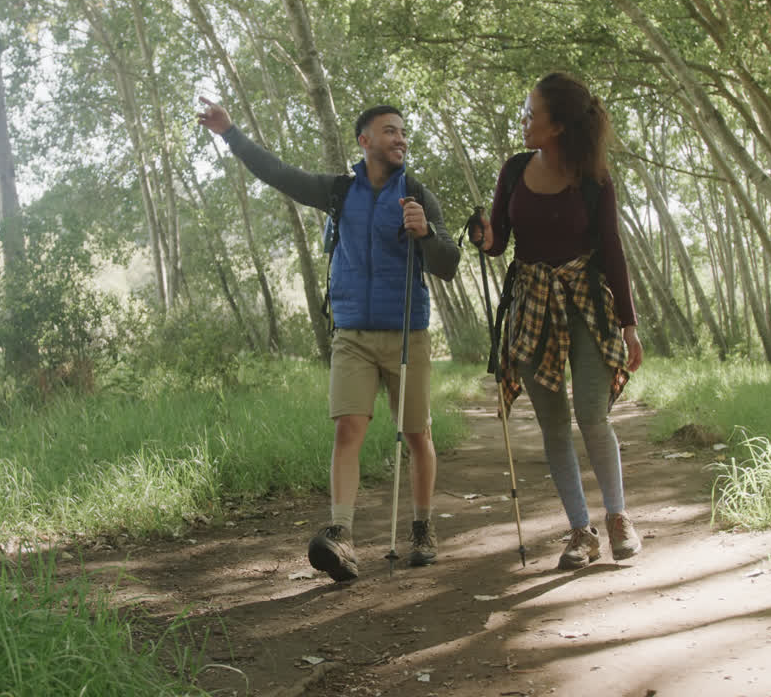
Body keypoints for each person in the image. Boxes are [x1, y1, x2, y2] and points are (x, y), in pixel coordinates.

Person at [197, 97, 460, 582]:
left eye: (403, 132)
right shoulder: (339, 191)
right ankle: (341, 535)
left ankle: (423, 528)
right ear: (364, 141)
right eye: (390, 131)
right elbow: (278, 173)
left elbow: (448, 264)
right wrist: (229, 132)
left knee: (417, 435)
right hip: (352, 334)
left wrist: (426, 233)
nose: (400, 139)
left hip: (407, 333)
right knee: (347, 431)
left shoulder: (417, 195)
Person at [471, 72, 644, 569]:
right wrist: (484, 236)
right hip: (531, 306)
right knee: (553, 425)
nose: (523, 121)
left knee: (591, 414)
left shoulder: (594, 180)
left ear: (559, 126)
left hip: (587, 303)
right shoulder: (514, 170)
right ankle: (580, 531)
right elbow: (498, 242)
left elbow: (612, 249)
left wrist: (629, 325)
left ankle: (618, 517)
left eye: (532, 114)